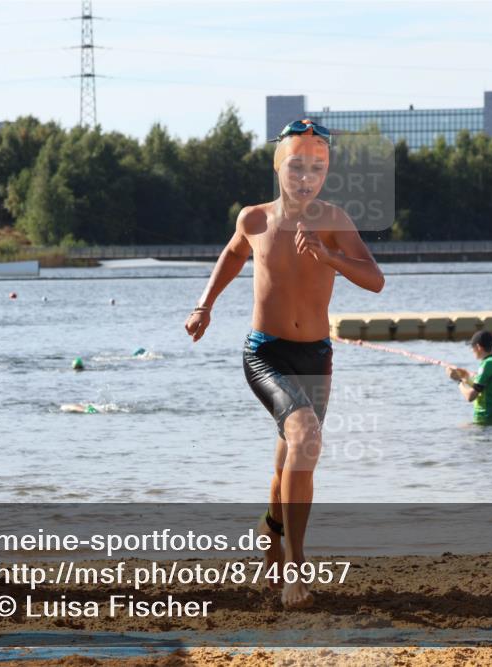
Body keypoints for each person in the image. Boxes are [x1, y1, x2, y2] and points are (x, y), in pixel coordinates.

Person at [184, 119, 384, 609]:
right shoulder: (254, 219)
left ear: (326, 172)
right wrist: (204, 306)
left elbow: (375, 279)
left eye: (317, 167)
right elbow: (232, 256)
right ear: (279, 166)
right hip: (265, 352)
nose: (306, 175)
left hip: (316, 355)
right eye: (296, 164)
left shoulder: (335, 220)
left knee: (292, 452)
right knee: (305, 438)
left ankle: (270, 532)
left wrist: (329, 256)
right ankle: (295, 571)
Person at [447, 330, 492, 425]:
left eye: (472, 347)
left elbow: (470, 397)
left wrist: (458, 381)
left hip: (486, 420)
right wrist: (465, 376)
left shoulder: (487, 364)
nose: (471, 350)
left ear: (478, 347)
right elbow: (485, 387)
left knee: (460, 429)